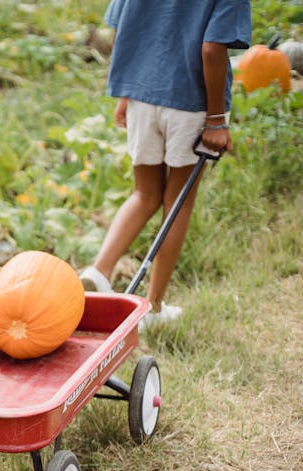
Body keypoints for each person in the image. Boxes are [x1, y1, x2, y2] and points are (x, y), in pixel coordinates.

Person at [78, 0, 251, 327]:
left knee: (143, 194)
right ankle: (153, 307)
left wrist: (126, 94)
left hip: (142, 96)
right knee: (178, 204)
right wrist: (216, 120)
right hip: (190, 102)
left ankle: (99, 271)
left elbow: (122, 32)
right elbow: (212, 49)